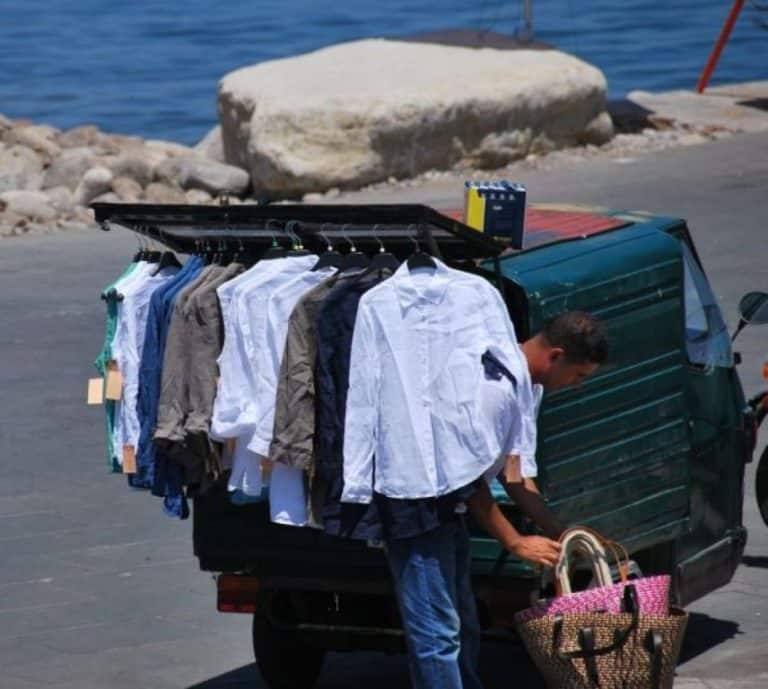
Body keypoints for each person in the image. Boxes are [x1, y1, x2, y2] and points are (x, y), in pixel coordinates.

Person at [383, 311, 608, 689]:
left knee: (462, 625)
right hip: (417, 509)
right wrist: (515, 541)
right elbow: (466, 475)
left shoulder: (526, 386)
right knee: (437, 637)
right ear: (555, 356)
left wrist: (562, 533)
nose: (576, 386)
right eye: (578, 375)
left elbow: (515, 474)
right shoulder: (494, 388)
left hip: (448, 511)